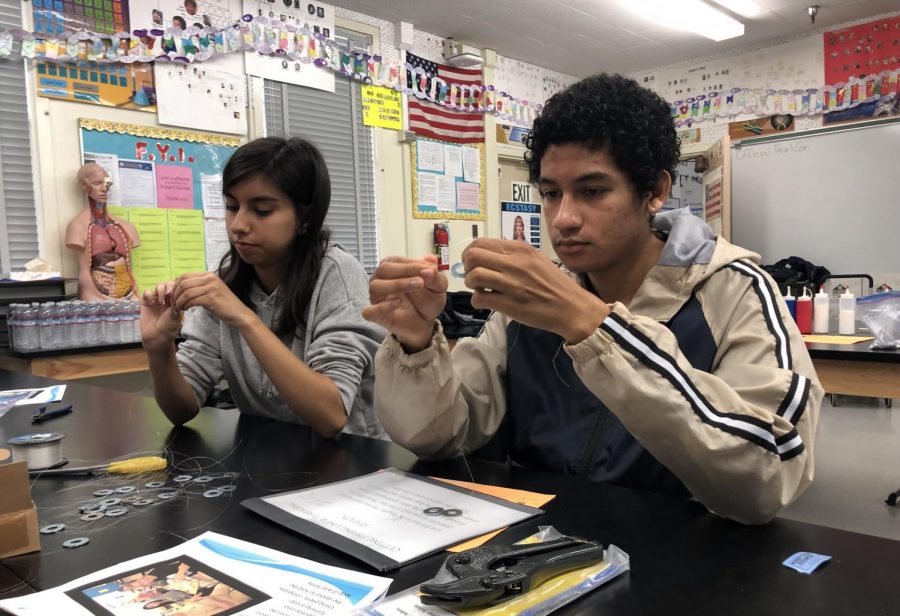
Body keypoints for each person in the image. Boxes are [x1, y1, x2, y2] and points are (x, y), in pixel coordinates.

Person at [365, 73, 822, 525]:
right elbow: (443, 437)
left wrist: (593, 327)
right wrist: (417, 346)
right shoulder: (527, 310)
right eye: (550, 193)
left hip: (687, 563)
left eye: (592, 191)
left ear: (656, 192)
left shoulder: (736, 289)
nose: (563, 218)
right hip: (542, 554)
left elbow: (768, 477)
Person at [140, 137, 385, 438]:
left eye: (262, 210)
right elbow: (181, 410)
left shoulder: (337, 274)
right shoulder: (227, 282)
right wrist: (158, 347)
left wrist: (244, 318)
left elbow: (331, 415)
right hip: (269, 463)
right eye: (232, 206)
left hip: (352, 463)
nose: (238, 225)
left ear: (305, 219)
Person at [65, 162, 141, 302]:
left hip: (129, 294)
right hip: (94, 296)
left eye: (106, 184)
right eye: (97, 183)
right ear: (83, 185)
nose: (104, 189)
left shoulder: (126, 227)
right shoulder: (77, 226)